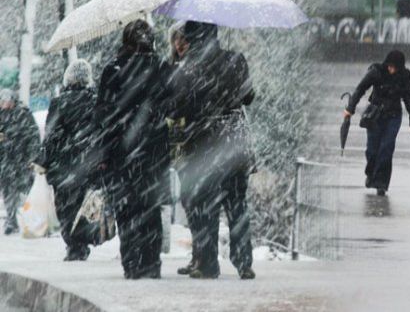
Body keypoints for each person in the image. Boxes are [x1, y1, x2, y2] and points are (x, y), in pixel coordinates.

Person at [172, 21, 256, 280]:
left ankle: (207, 263)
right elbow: (248, 97)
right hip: (234, 141)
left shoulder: (188, 67)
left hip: (204, 143)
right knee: (237, 204)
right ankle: (244, 262)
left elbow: (178, 108)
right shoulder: (236, 59)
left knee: (204, 205)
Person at [94, 19, 171, 279]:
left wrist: (104, 154)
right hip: (154, 152)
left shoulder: (112, 70)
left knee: (126, 209)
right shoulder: (160, 68)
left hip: (121, 152)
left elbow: (102, 116)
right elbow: (169, 105)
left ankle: (132, 263)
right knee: (151, 208)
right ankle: (152, 262)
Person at [36, 59, 97, 260]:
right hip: (87, 163)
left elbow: (51, 136)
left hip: (63, 165)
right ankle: (82, 240)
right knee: (84, 204)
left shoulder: (60, 102)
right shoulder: (95, 100)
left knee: (65, 207)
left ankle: (73, 244)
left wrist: (43, 160)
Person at [344, 50, 410, 196]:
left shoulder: (405, 77)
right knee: (372, 150)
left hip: (394, 116)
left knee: (387, 148)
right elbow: (360, 89)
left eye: (395, 68)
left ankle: (381, 183)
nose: (392, 70)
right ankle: (371, 174)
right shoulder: (376, 72)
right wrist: (350, 108)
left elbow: (409, 98)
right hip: (375, 115)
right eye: (390, 66)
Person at [0, 89, 39, 235]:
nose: (5, 104)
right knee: (9, 191)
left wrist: (32, 157)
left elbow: (33, 136)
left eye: (7, 101)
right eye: (2, 101)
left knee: (27, 190)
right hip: (6, 161)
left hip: (21, 160)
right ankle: (11, 221)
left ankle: (35, 220)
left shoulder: (23, 114)